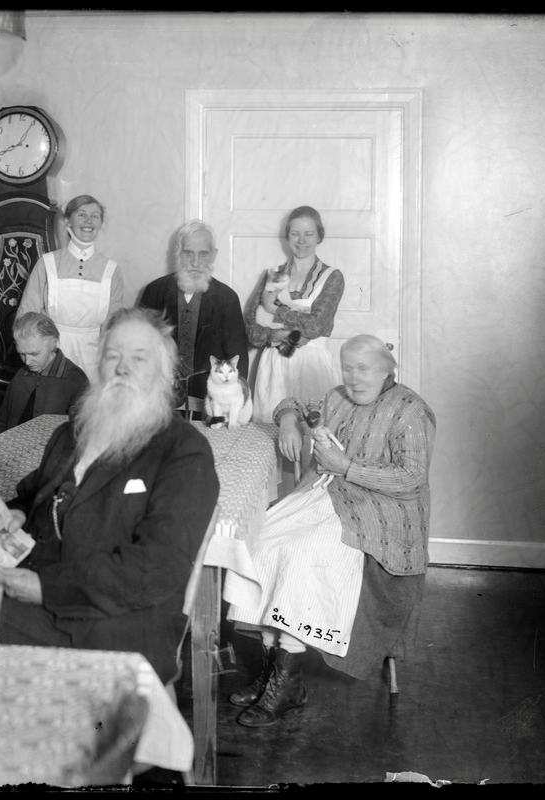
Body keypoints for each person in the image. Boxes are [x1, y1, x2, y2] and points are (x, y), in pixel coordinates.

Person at [0, 307, 219, 683]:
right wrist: (16, 513)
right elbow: (32, 495)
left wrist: (48, 589)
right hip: (35, 604)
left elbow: (156, 567)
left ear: (165, 374)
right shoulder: (71, 434)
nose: (122, 369)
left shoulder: (183, 451)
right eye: (113, 356)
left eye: (139, 358)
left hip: (118, 625)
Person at [226, 335, 435, 727]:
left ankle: (288, 683)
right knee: (262, 539)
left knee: (304, 553)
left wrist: (347, 467)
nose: (354, 379)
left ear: (387, 370)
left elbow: (411, 477)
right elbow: (291, 403)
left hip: (378, 512)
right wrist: (289, 422)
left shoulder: (410, 410)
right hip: (324, 496)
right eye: (348, 368)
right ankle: (274, 674)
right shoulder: (337, 397)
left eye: (364, 369)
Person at [139, 219, 251, 419]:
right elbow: (139, 350)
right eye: (188, 253)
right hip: (160, 404)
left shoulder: (227, 299)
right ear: (177, 252)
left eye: (203, 254)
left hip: (210, 404)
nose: (196, 262)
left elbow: (238, 361)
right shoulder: (155, 292)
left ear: (213, 254)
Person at [244, 205, 345, 424]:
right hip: (275, 367)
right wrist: (277, 336)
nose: (301, 240)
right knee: (272, 432)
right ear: (287, 236)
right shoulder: (275, 275)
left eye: (309, 234)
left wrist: (275, 310)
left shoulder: (331, 276)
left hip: (313, 367)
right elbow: (252, 330)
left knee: (315, 432)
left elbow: (316, 326)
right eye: (295, 233)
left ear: (319, 236)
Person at [16, 195, 126, 382]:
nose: (88, 220)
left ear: (101, 223)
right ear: (67, 221)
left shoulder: (112, 270)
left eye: (95, 216)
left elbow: (113, 326)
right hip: (52, 353)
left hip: (94, 357)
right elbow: (26, 316)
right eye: (81, 214)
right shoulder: (47, 263)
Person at [0, 312, 89, 435]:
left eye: (34, 354)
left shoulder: (76, 380)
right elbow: (1, 424)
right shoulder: (20, 376)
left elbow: (79, 436)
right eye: (22, 354)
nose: (27, 361)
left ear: (52, 343)